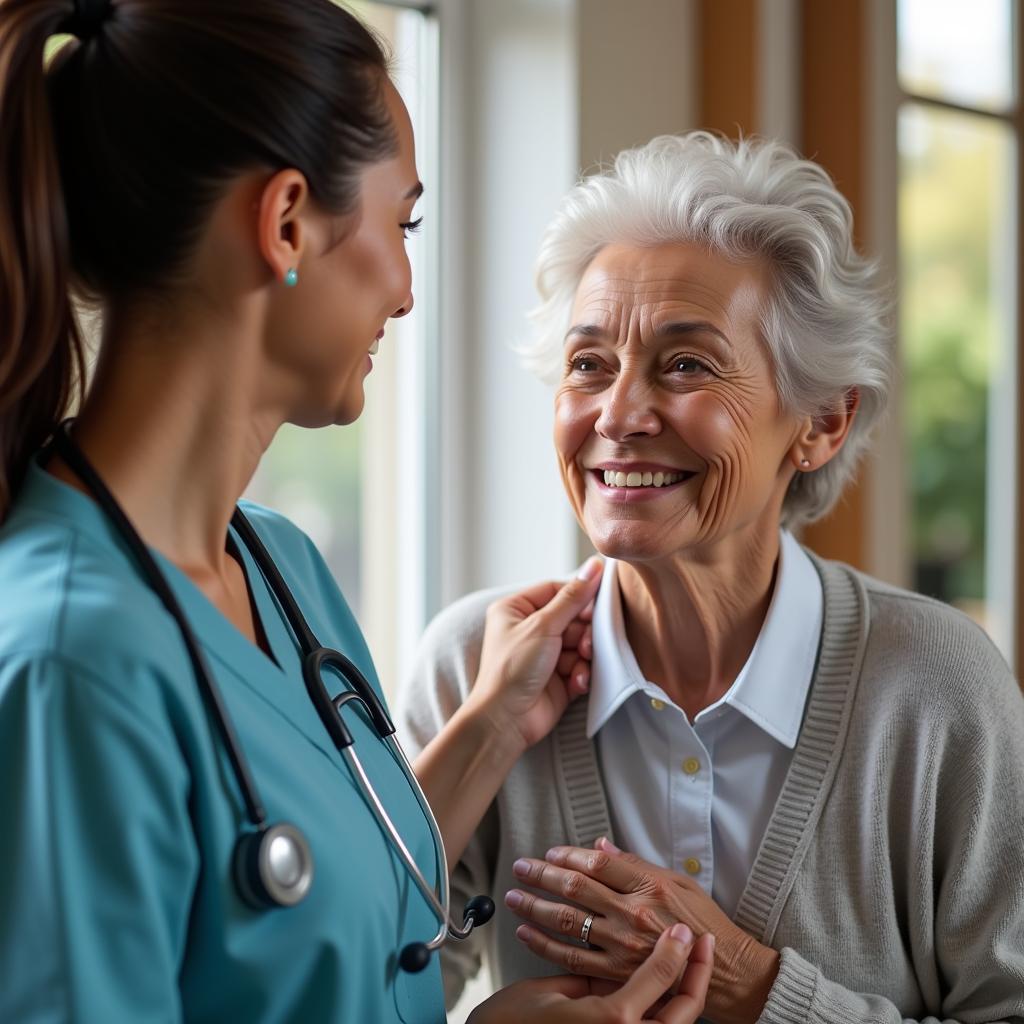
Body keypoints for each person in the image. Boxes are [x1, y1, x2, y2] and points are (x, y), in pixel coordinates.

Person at [0, 1, 714, 1020]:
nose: (409, 289)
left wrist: (488, 727)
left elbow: (327, 922)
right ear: (286, 221)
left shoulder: (279, 569)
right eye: (401, 222)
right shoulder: (68, 662)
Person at [398, 132, 1024, 1023]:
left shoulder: (938, 686)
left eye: (685, 363)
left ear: (820, 421)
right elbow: (352, 986)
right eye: (588, 366)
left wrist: (752, 987)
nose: (617, 415)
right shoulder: (474, 665)